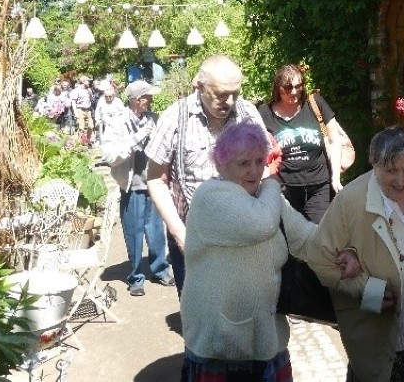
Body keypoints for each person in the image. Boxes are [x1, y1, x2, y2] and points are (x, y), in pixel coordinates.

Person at [180, 120, 359, 382]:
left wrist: (342, 254)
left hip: (267, 340)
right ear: (221, 165)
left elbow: (307, 238)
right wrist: (274, 182)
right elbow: (261, 223)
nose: (254, 171)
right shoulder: (210, 196)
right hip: (221, 345)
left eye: (259, 161)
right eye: (243, 163)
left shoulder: (266, 197)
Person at [308, 125, 404, 382]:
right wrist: (367, 292)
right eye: (390, 171)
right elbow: (319, 258)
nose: (401, 180)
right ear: (373, 164)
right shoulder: (351, 201)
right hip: (383, 344)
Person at [146, 54, 265, 296]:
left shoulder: (248, 114)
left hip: (242, 234)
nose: (230, 101)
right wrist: (180, 234)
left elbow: (268, 165)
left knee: (243, 307)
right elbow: (156, 180)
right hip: (193, 235)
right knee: (201, 314)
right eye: (221, 94)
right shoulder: (174, 118)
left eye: (235, 93)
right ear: (199, 86)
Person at [101, 79, 173, 297]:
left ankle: (160, 270)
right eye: (148, 97)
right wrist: (137, 138)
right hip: (131, 186)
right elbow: (110, 156)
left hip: (153, 184)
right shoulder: (117, 123)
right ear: (137, 100)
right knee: (133, 233)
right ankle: (135, 278)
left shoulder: (154, 119)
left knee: (157, 231)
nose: (151, 100)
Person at [258, 64, 344, 223]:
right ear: (278, 87)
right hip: (284, 189)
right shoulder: (264, 113)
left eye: (298, 86)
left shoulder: (314, 104)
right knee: (291, 240)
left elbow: (334, 140)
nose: (293, 92)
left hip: (319, 186)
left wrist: (336, 178)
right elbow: (257, 151)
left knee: (318, 236)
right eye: (288, 87)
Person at [70, 77, 95, 145]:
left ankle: (88, 139)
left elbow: (91, 99)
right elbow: (73, 102)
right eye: (88, 81)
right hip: (80, 110)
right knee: (81, 127)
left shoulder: (89, 90)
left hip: (88, 110)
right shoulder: (76, 90)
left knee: (91, 126)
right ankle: (80, 142)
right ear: (83, 82)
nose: (89, 82)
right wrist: (75, 113)